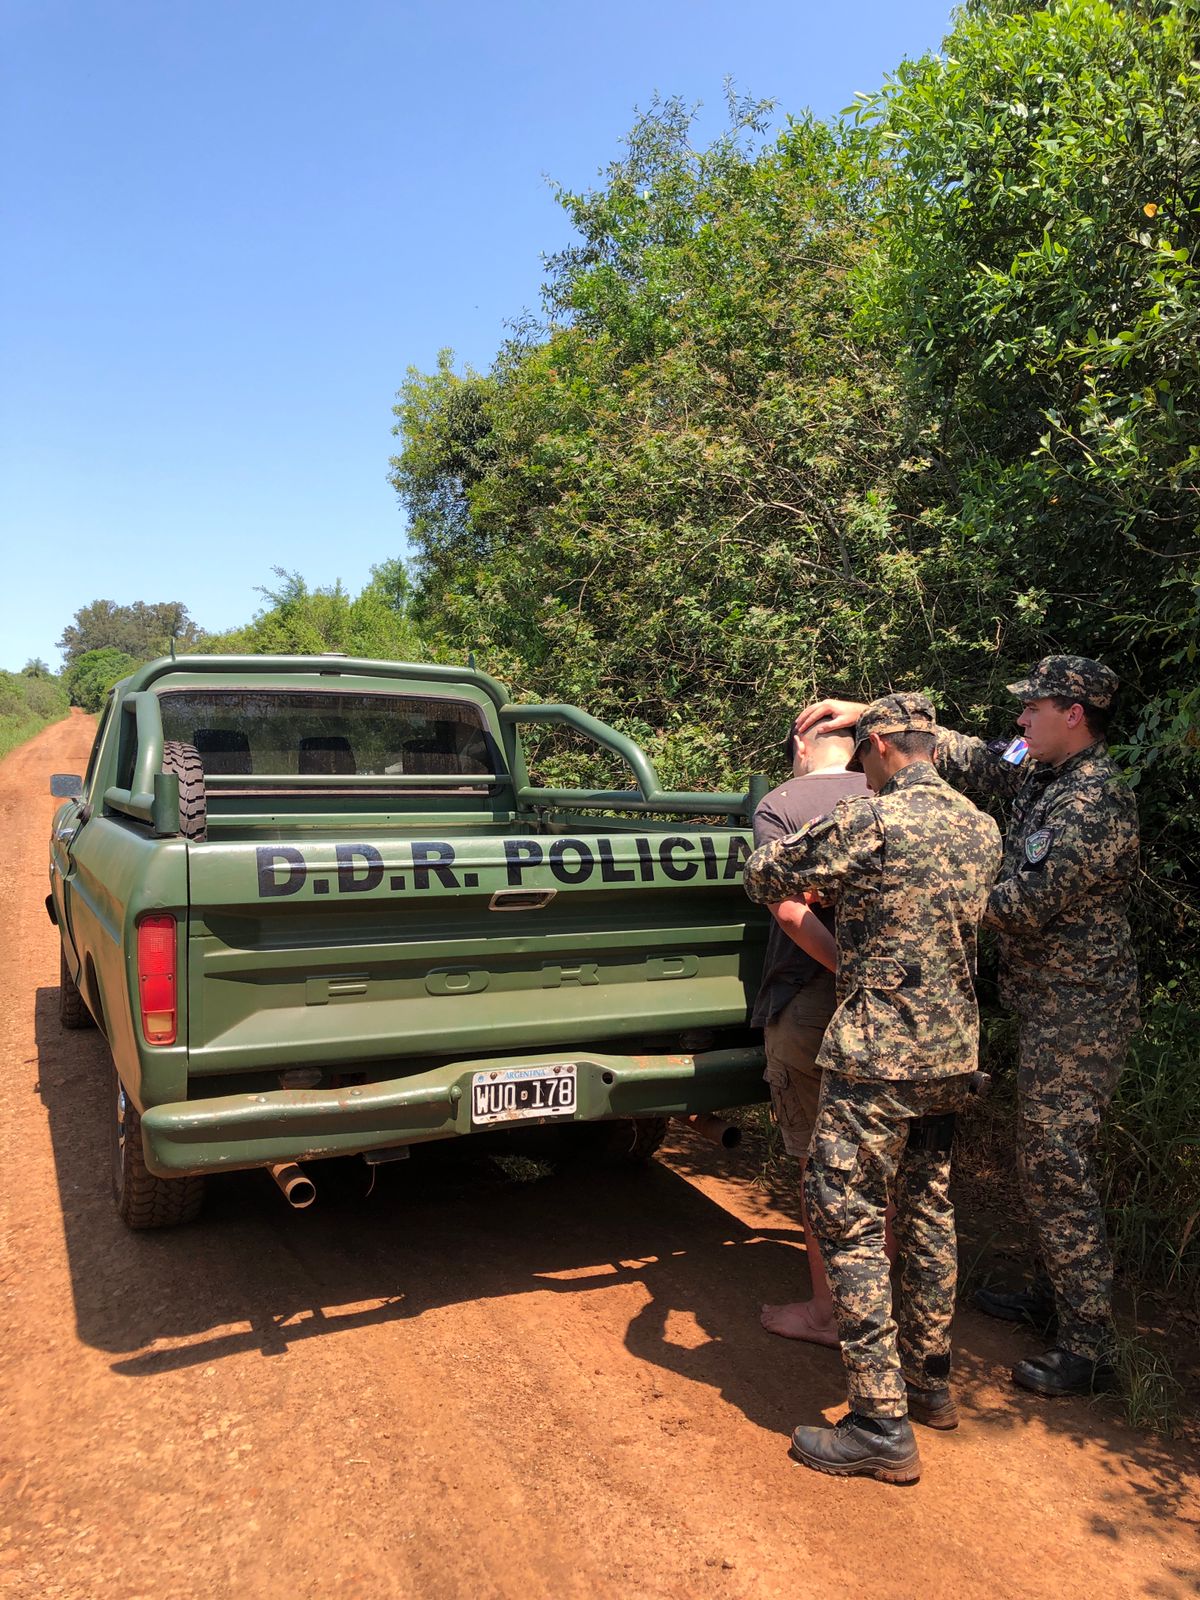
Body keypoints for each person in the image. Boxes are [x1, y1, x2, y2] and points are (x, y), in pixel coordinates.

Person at [794, 657, 1139, 1399]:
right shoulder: (1038, 769)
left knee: (1056, 1161)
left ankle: (1091, 1346)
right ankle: (1055, 1299)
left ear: (1074, 712)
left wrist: (925, 864)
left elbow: (1015, 906)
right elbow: (966, 754)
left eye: (1033, 709)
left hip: (1080, 1008)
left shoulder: (1094, 802)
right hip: (1040, 1000)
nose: (1020, 721)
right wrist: (868, 713)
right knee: (1042, 1157)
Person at [745, 694, 1002, 1484]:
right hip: (952, 1053)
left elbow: (767, 875)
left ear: (883, 745)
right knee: (927, 1211)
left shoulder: (874, 820)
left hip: (878, 1055)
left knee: (845, 1211)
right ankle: (932, 1383)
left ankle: (878, 1422)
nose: (860, 768)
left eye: (866, 756)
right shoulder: (981, 826)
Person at [752, 716, 871, 1346]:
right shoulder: (892, 796)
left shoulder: (782, 804)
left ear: (802, 746)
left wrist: (845, 968)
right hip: (896, 1008)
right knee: (883, 1159)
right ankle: (883, 1314)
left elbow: (791, 910)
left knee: (818, 1163)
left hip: (808, 999)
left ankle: (827, 1314)